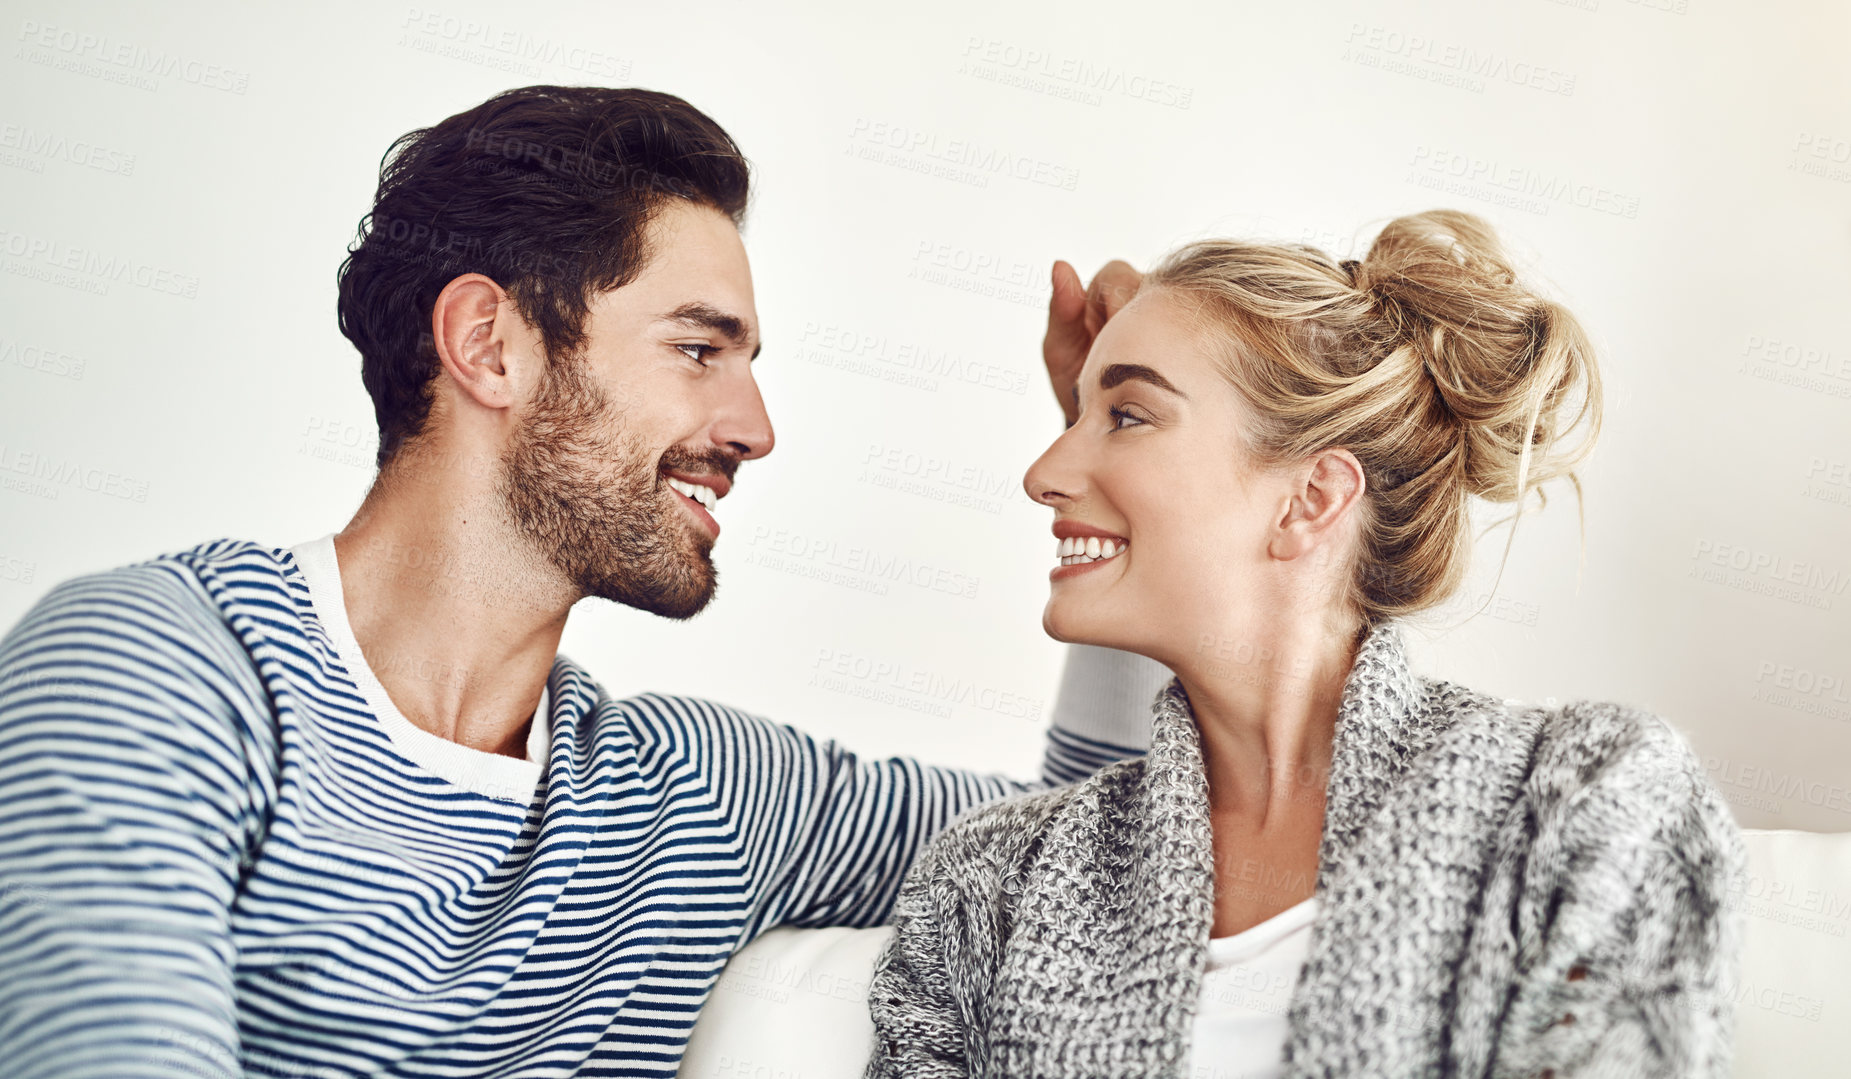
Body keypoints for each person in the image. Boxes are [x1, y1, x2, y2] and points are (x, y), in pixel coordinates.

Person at [0, 86, 1155, 1078]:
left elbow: (1101, 864)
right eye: (699, 350)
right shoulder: (153, 671)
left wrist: (1120, 469)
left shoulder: (699, 799)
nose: (753, 429)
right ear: (490, 344)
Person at [865, 209, 1748, 1078]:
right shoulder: (990, 882)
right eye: (1074, 414)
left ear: (1312, 499)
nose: (1041, 474)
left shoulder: (1591, 801)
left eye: (1126, 414)